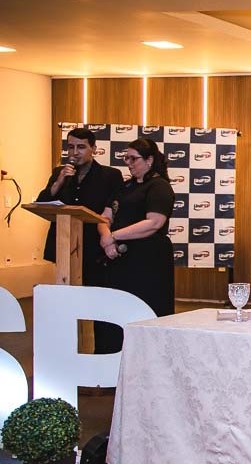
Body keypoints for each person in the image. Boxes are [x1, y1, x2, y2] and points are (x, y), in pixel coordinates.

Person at [96, 138, 176, 348]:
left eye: (133, 159)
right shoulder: (124, 187)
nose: (129, 163)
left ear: (149, 160)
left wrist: (114, 236)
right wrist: (107, 239)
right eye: (126, 158)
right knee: (116, 311)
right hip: (119, 258)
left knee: (146, 310)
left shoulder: (159, 187)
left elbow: (154, 223)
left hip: (147, 260)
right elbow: (104, 217)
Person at [36, 127, 123, 286]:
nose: (75, 152)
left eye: (81, 147)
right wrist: (59, 181)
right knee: (66, 289)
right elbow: (42, 203)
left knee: (93, 289)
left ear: (93, 149)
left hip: (94, 245)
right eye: (71, 147)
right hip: (63, 242)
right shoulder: (60, 173)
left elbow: (113, 209)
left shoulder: (110, 175)